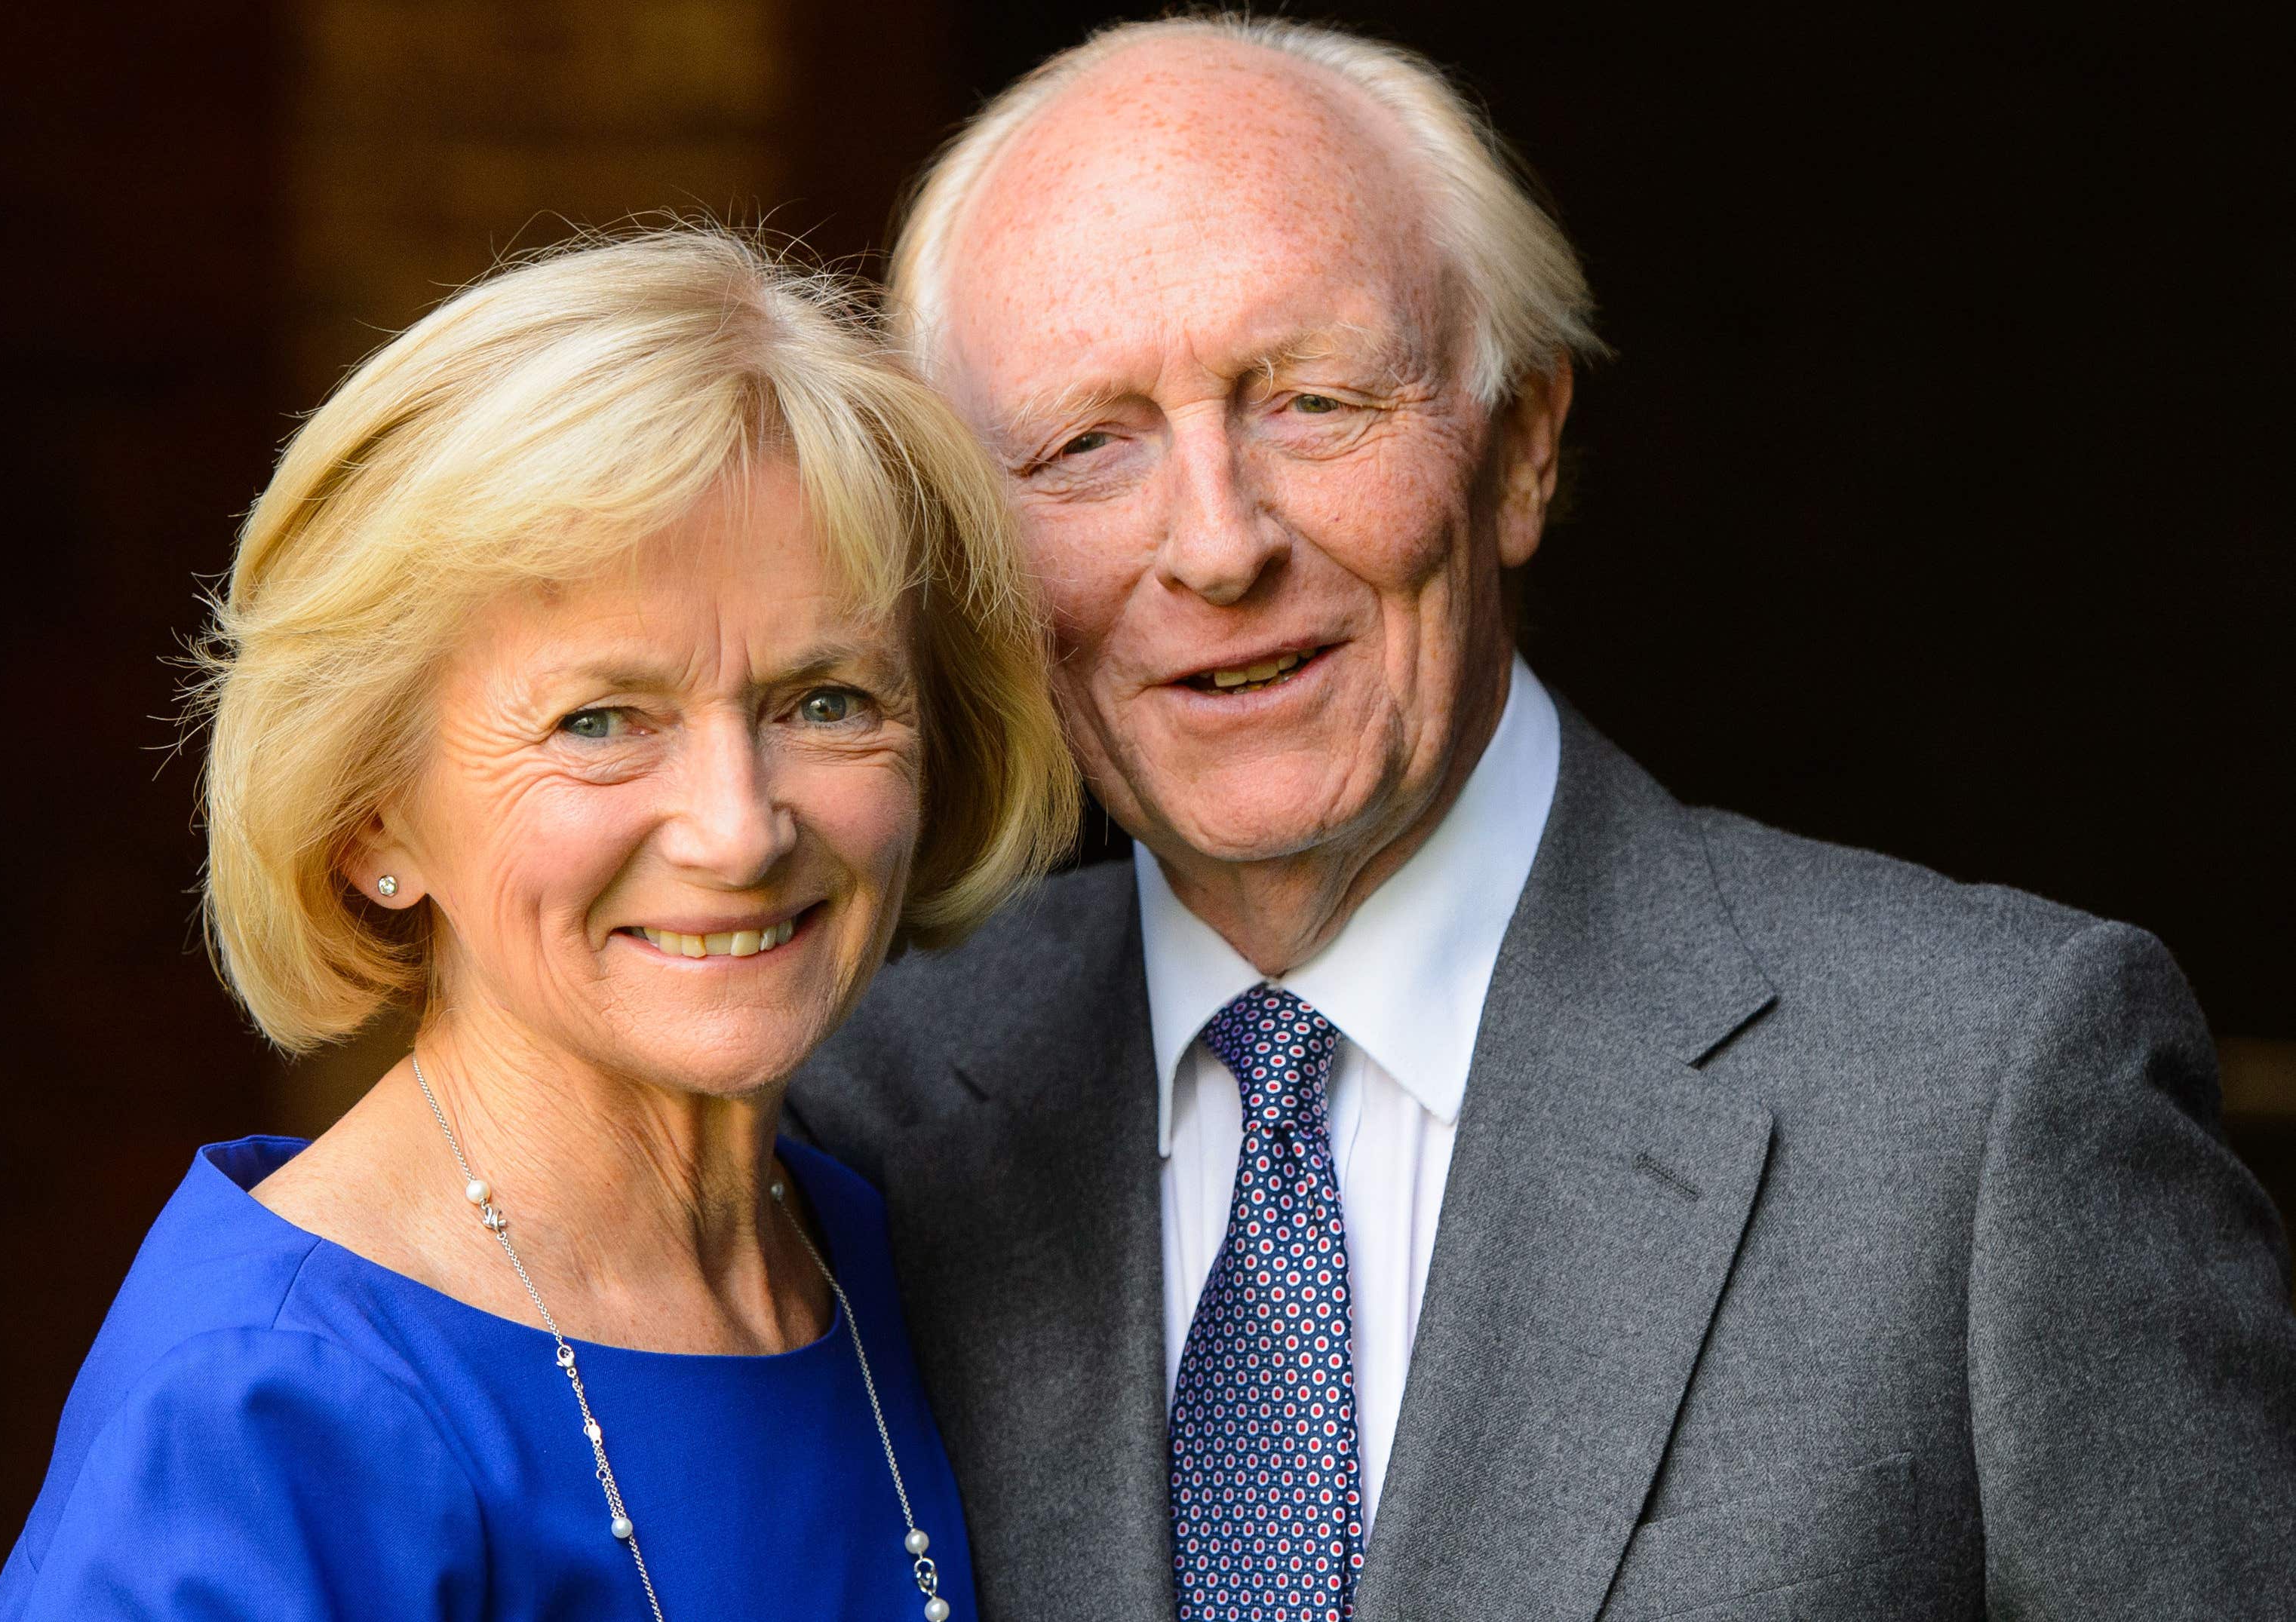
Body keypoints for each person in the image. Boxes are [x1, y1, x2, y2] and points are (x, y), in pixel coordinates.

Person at [787, 17, 2296, 1621]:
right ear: (976, 566)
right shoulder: (850, 1110)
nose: (1217, 544)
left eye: (1310, 399)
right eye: (1089, 444)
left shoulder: (1986, 1091)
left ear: (1521, 447)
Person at [0, 226, 1076, 1620]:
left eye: (826, 701)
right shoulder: (267, 1407)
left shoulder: (879, 1258)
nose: (739, 830)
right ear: (371, 816)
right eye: (602, 721)